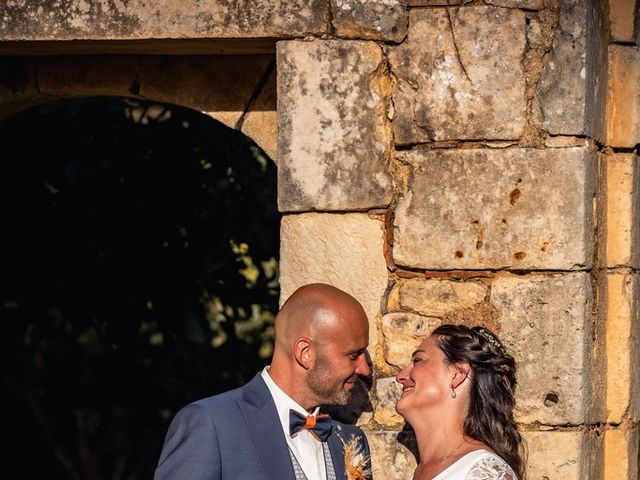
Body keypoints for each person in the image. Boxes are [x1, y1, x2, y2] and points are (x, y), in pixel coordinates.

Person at [155, 283, 374, 480]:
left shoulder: (349, 438)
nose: (364, 369)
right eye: (353, 355)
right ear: (305, 352)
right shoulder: (210, 424)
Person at [395, 324, 524, 480]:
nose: (400, 376)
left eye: (418, 360)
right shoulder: (421, 471)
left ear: (457, 374)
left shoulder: (485, 472)